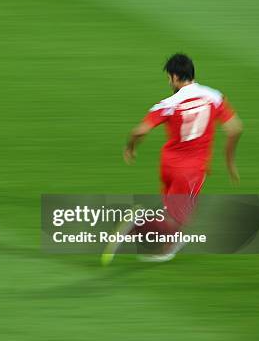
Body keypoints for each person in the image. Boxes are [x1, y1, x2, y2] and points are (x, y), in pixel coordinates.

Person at [103, 53, 243, 264]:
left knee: (173, 213)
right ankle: (137, 226)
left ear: (176, 77)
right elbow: (235, 129)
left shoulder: (169, 103)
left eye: (169, 78)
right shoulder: (214, 96)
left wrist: (130, 147)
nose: (169, 82)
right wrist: (230, 163)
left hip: (169, 165)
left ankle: (167, 246)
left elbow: (139, 131)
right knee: (176, 220)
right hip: (192, 171)